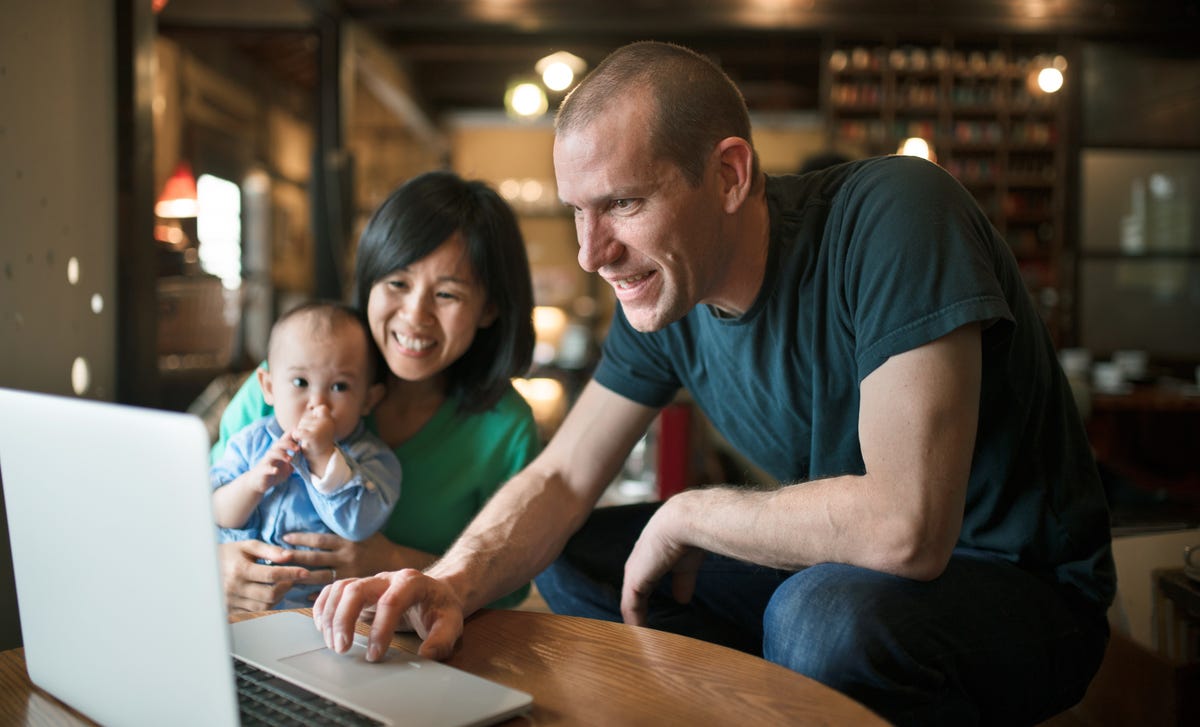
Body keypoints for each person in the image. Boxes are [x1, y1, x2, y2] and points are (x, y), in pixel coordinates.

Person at [313, 42, 1114, 727]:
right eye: (578, 213)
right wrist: (448, 580)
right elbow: (561, 477)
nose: (593, 254)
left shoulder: (896, 215)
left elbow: (909, 526)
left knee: (819, 616)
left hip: (1017, 588)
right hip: (851, 573)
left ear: (729, 175)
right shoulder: (670, 294)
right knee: (579, 556)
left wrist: (691, 511)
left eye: (623, 204)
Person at [212, 170, 539, 613]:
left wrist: (390, 560)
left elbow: (511, 583)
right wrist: (216, 562)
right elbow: (189, 508)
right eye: (397, 284)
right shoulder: (286, 386)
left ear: (489, 310)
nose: (415, 316)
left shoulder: (504, 427)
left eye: (446, 294)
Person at [211, 301, 402, 610]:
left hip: (322, 616)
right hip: (241, 608)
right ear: (269, 387)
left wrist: (324, 456)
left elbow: (359, 524)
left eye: (340, 386)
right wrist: (252, 484)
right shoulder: (250, 443)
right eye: (300, 383)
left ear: (368, 399)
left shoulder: (372, 458)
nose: (317, 404)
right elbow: (215, 511)